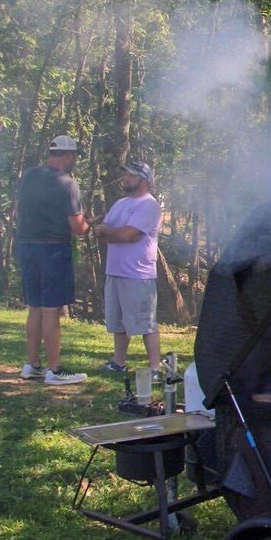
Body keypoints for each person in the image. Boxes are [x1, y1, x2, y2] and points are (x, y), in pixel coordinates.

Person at [14, 134, 89, 386]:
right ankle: (54, 370)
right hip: (53, 250)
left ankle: (33, 365)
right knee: (50, 310)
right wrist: (89, 225)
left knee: (34, 307)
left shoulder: (29, 176)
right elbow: (77, 227)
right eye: (74, 156)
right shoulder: (67, 184)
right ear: (68, 155)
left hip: (26, 246)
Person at [92, 161, 164, 381]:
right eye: (125, 175)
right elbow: (103, 228)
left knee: (146, 323)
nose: (125, 179)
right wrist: (100, 228)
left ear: (143, 180)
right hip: (115, 271)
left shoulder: (149, 206)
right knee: (118, 322)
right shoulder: (121, 203)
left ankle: (155, 369)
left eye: (130, 176)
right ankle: (119, 362)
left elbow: (129, 235)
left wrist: (106, 231)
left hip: (138, 274)